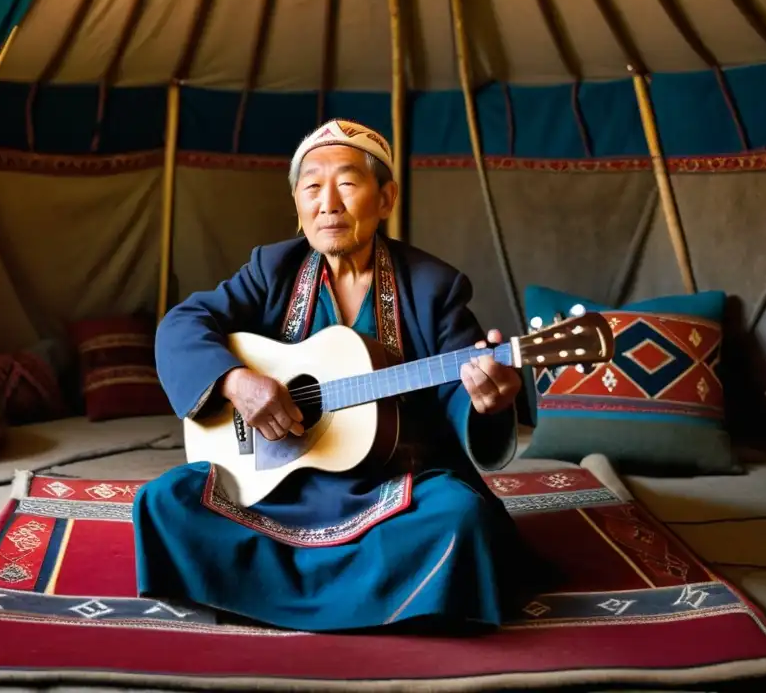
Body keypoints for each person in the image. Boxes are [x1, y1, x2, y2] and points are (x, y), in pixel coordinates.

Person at [133, 119, 536, 633]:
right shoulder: (271, 269)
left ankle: (261, 590)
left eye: (347, 183)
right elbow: (183, 324)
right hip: (283, 480)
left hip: (391, 485)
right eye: (311, 187)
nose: (328, 203)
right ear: (298, 206)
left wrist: (489, 398)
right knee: (163, 500)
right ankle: (385, 603)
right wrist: (235, 380)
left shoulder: (434, 287)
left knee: (461, 517)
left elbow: (461, 387)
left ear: (385, 198)